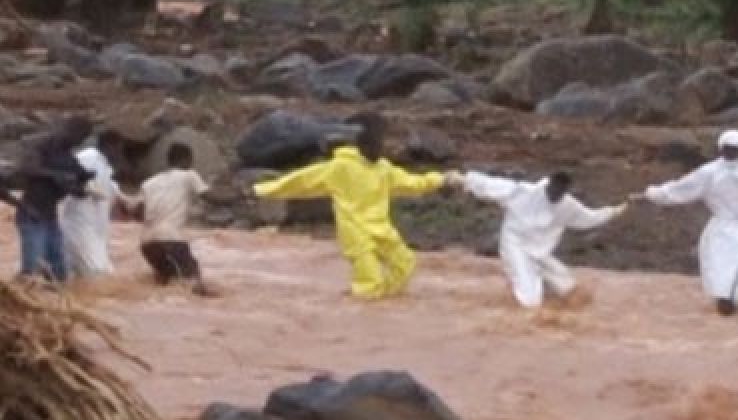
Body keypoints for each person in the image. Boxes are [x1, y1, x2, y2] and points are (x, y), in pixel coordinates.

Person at [253, 113, 453, 300]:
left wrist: (442, 179)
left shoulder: (383, 169)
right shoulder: (341, 167)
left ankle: (386, 307)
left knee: (405, 264)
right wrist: (263, 189)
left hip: (382, 230)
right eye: (380, 140)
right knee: (369, 282)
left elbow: (412, 183)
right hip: (356, 233)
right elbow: (303, 181)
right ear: (363, 141)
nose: (384, 146)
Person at [633, 129, 738, 315]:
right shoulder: (709, 172)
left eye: (735, 149)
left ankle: (732, 299)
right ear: (721, 148)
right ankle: (724, 298)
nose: (730, 152)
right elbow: (681, 189)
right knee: (725, 262)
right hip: (722, 226)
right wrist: (652, 194)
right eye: (728, 148)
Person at [464, 169, 626, 307]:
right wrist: (463, 179)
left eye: (560, 192)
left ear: (565, 191)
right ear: (548, 185)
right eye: (553, 190)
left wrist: (614, 212)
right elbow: (489, 185)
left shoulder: (568, 206)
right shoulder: (525, 192)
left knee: (569, 288)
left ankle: (536, 286)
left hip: (539, 251)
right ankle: (515, 295)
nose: (555, 194)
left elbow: (590, 218)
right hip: (515, 244)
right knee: (530, 301)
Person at [13, 116, 95, 282]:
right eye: (80, 137)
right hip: (32, 213)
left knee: (58, 274)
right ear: (71, 130)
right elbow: (26, 168)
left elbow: (77, 188)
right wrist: (56, 176)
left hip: (51, 217)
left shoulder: (68, 157)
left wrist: (83, 187)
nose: (80, 142)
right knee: (32, 272)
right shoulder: (42, 145)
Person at [130, 143, 213, 295]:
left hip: (147, 243)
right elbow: (211, 197)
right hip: (171, 240)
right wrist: (240, 195)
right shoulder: (189, 175)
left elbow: (136, 212)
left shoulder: (149, 182)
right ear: (186, 159)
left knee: (165, 283)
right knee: (192, 281)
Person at [61, 129, 131, 279]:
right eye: (118, 149)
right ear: (108, 146)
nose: (119, 154)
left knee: (85, 276)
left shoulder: (105, 167)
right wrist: (86, 188)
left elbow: (111, 188)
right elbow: (70, 175)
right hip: (80, 228)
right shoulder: (89, 157)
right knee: (97, 276)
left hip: (95, 233)